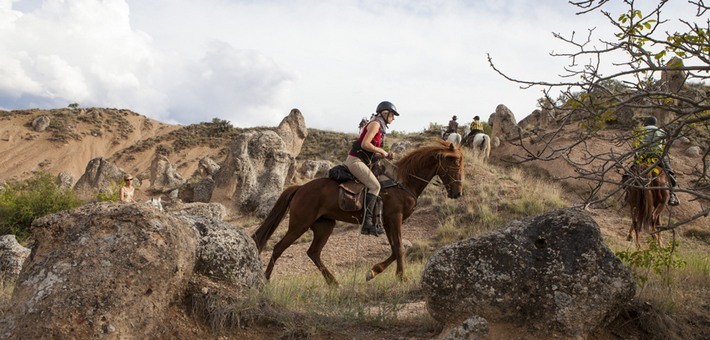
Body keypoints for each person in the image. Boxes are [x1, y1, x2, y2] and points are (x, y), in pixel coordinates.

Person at [345, 101, 398, 236]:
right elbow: (365, 144)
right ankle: (367, 223)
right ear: (385, 113)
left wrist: (385, 155)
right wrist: (382, 150)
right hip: (355, 161)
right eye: (392, 115)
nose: (393, 118)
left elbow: (371, 151)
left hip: (363, 161)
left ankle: (376, 220)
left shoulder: (380, 126)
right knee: (375, 186)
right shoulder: (375, 124)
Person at [633, 116, 679, 206]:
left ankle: (627, 192)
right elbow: (663, 145)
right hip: (657, 157)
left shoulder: (640, 131)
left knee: (631, 171)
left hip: (643, 156)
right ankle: (672, 195)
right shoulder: (661, 131)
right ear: (655, 123)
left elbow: (636, 146)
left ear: (646, 122)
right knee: (669, 172)